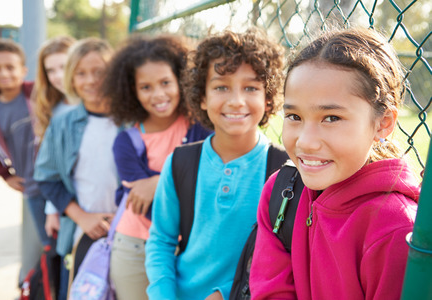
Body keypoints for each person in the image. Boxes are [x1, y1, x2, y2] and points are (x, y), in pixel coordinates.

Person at [250, 27, 420, 299]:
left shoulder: (395, 230)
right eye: (294, 116)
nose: (305, 142)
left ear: (383, 123)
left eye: (331, 118)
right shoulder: (281, 192)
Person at [144, 29, 286, 300]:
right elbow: (161, 242)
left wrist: (226, 292)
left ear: (267, 99)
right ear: (202, 97)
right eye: (221, 87)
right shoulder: (181, 163)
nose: (236, 101)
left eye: (251, 88)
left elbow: (282, 259)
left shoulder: (284, 172)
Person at [103, 34, 211, 300]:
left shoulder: (199, 127)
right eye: (146, 87)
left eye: (165, 82)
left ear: (182, 81)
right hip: (134, 246)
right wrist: (176, 181)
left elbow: (208, 178)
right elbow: (144, 203)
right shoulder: (127, 142)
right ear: (132, 91)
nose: (158, 94)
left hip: (192, 246)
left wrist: (156, 182)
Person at [33, 37, 117, 292]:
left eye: (99, 72)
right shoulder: (62, 125)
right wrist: (82, 217)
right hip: (81, 234)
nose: (90, 80)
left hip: (128, 232)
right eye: (81, 73)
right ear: (71, 78)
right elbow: (46, 177)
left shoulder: (133, 121)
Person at [0, 38, 43, 284]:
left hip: (60, 180)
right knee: (36, 243)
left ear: (23, 70)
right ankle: (30, 286)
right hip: (30, 185)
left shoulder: (39, 94)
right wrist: (5, 174)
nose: (4, 73)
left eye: (10, 67)